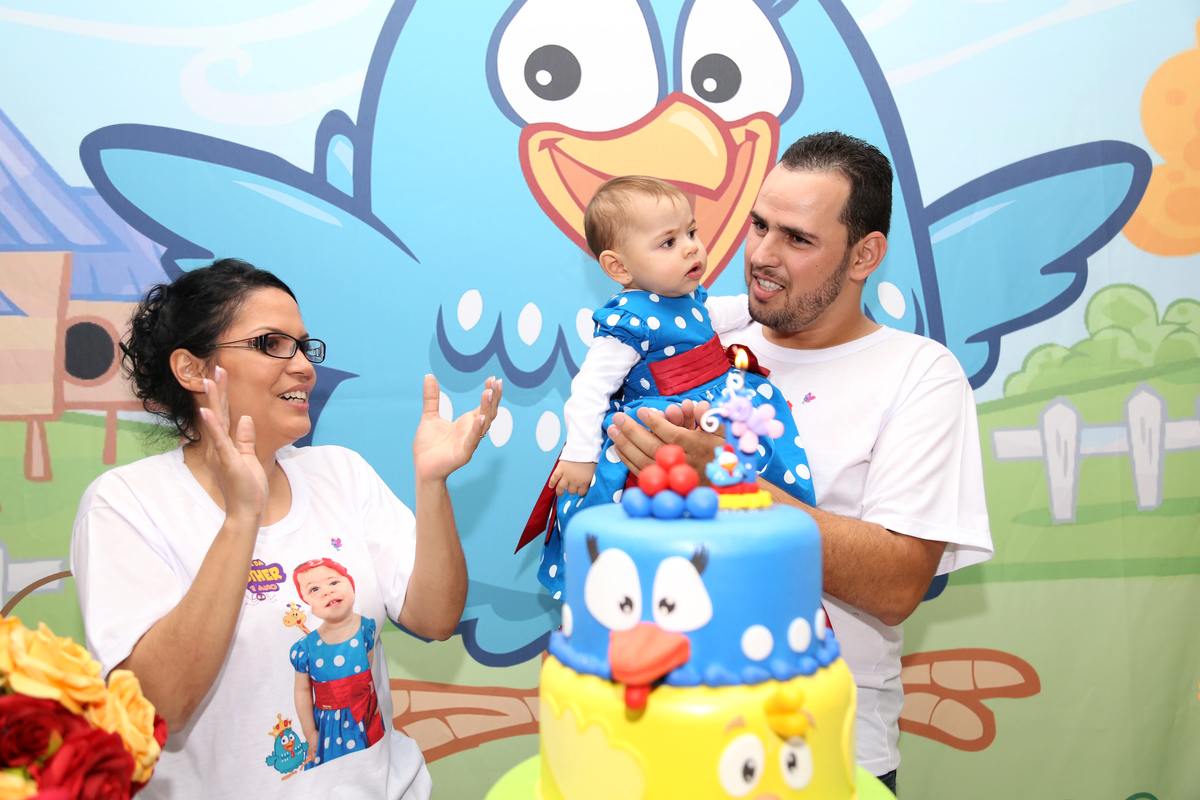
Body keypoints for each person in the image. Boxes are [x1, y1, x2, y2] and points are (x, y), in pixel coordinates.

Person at [605, 133, 994, 794]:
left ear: (865, 255)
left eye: (798, 239)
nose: (762, 255)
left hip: (821, 754)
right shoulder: (692, 344)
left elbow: (898, 584)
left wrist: (728, 481)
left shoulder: (918, 374)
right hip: (663, 739)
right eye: (759, 225)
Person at [71, 258, 502, 799]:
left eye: (302, 346)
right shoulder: (125, 504)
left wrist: (432, 483)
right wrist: (242, 517)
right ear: (192, 370)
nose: (303, 367)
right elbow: (161, 707)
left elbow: (435, 618)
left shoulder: (340, 471)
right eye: (271, 344)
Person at [519, 175, 815, 597]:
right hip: (667, 423)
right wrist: (580, 455)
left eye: (691, 232)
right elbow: (589, 391)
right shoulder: (628, 320)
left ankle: (769, 543)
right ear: (619, 267)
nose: (691, 247)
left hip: (720, 407)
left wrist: (766, 304)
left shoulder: (692, 299)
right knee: (665, 519)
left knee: (749, 477)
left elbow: (729, 312)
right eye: (668, 242)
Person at [289, 558, 383, 772]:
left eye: (333, 582)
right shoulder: (305, 648)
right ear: (307, 603)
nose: (327, 591)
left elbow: (371, 673)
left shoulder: (366, 628)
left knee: (367, 769)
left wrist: (374, 705)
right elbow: (302, 691)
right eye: (314, 589)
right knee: (333, 773)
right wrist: (310, 733)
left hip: (366, 715)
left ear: (352, 586)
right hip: (330, 726)